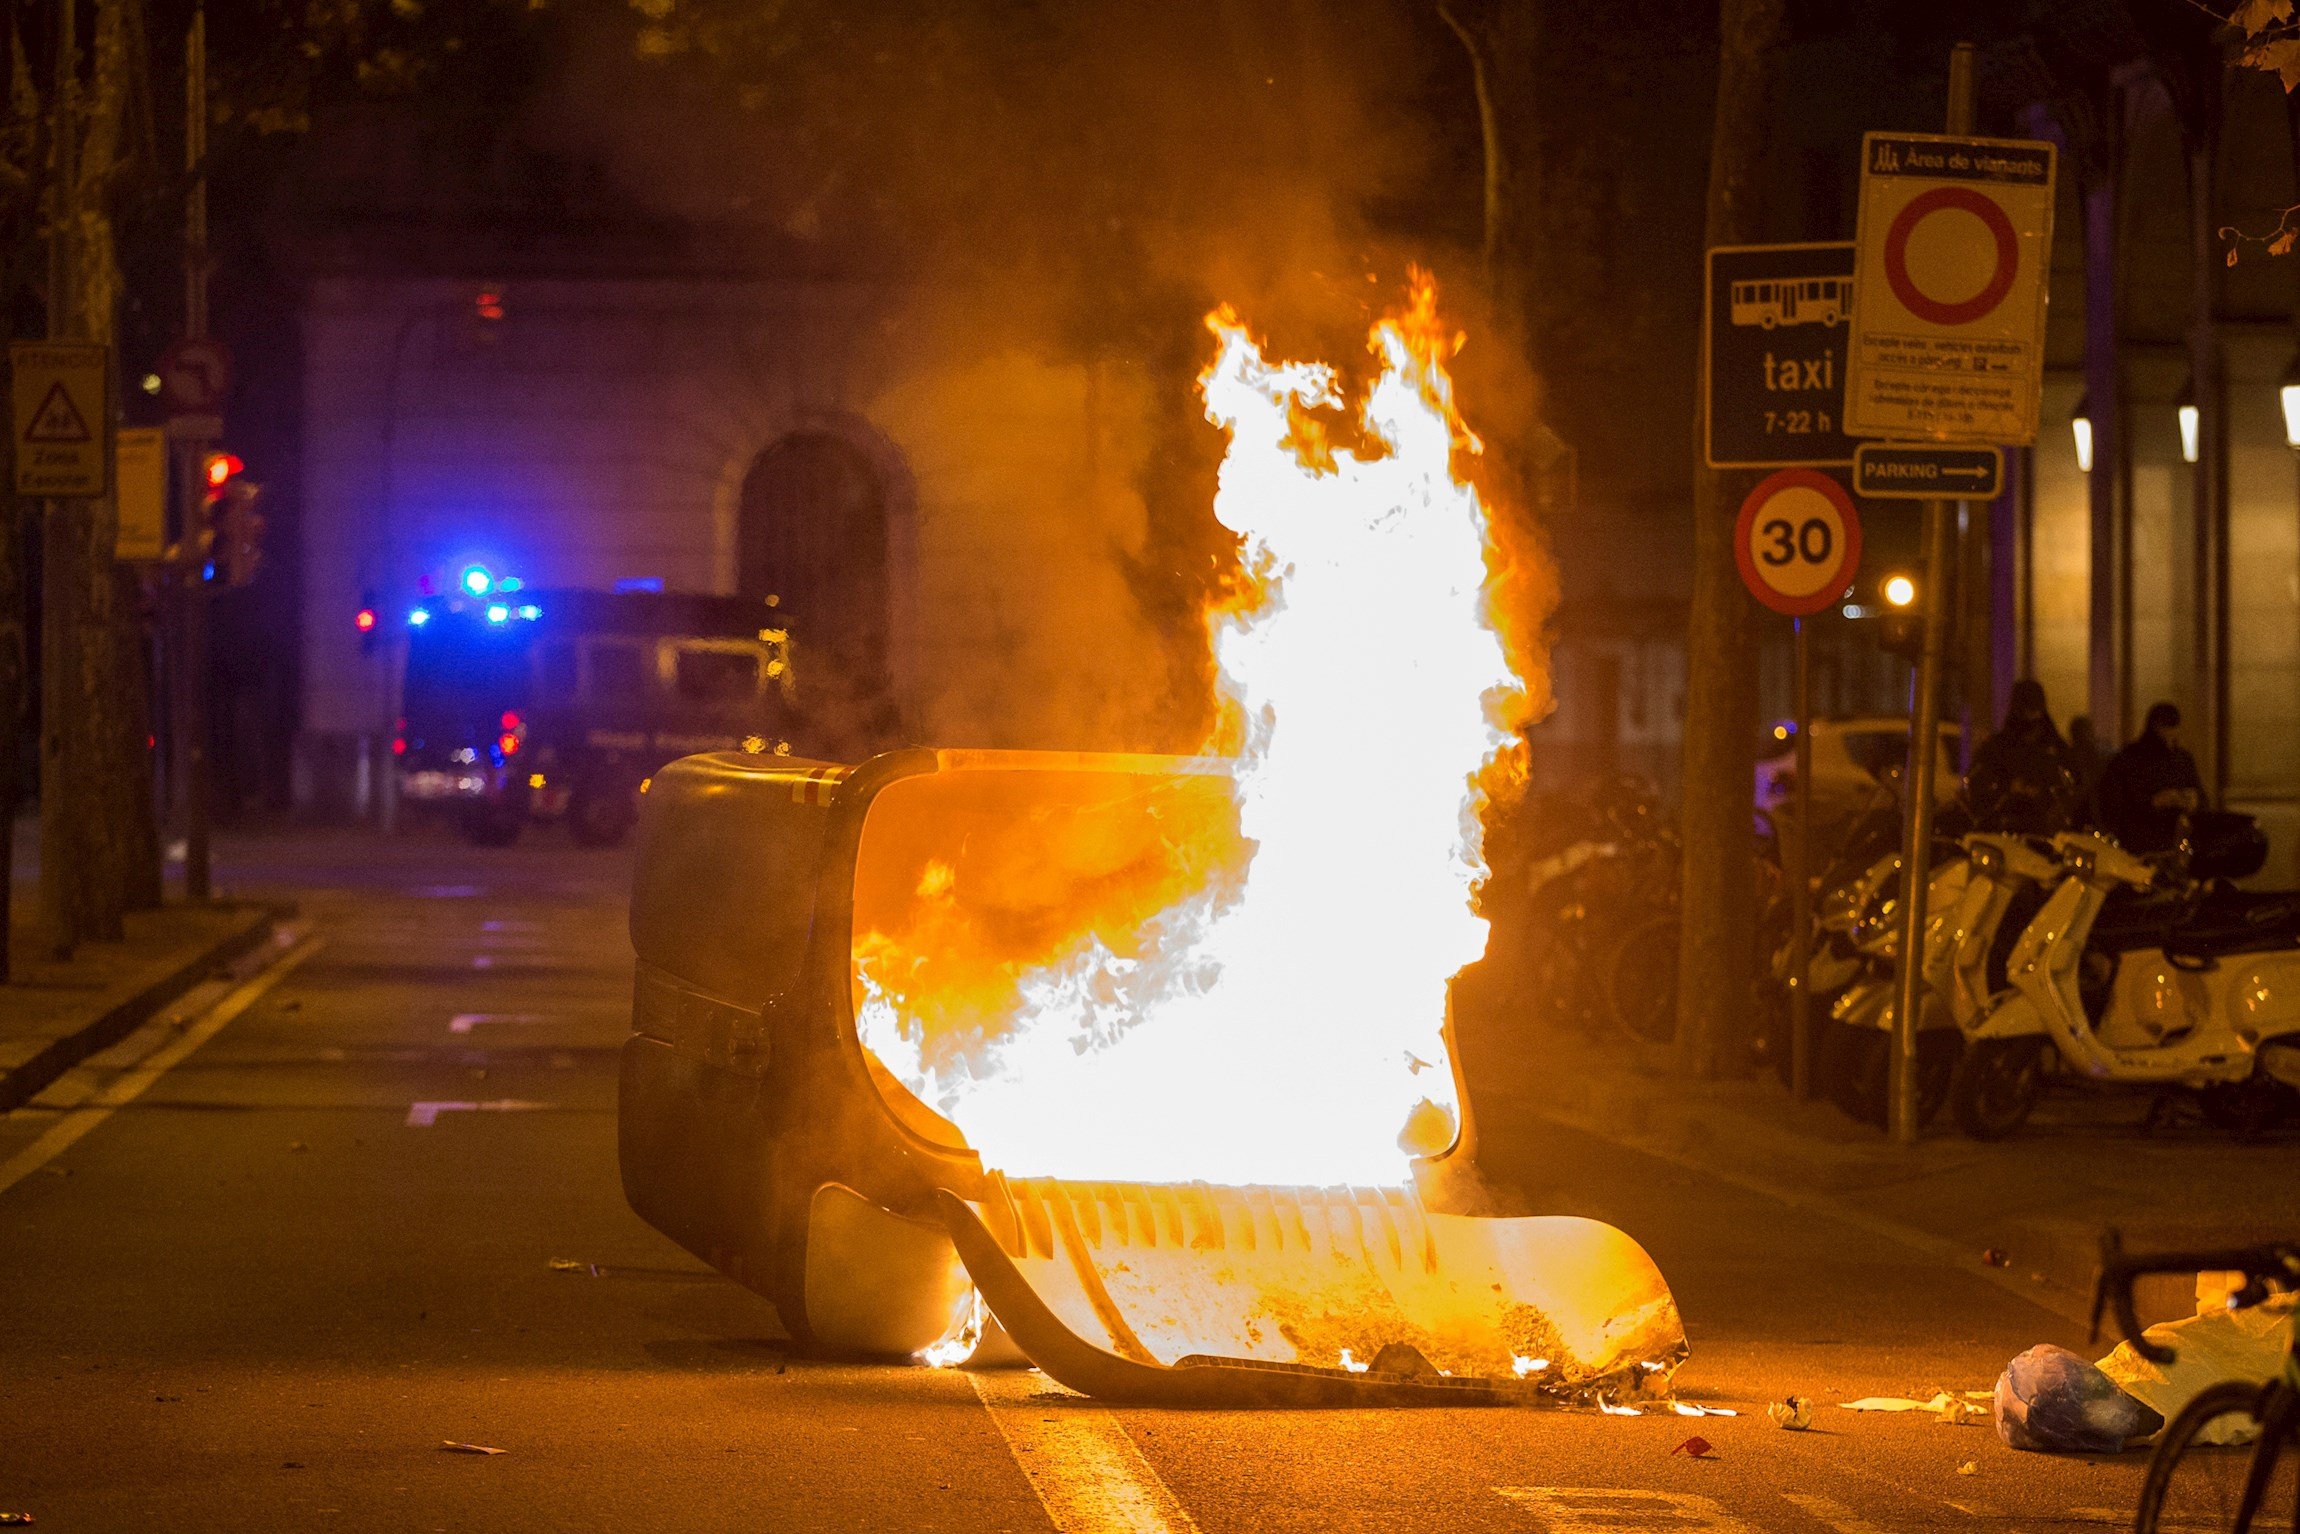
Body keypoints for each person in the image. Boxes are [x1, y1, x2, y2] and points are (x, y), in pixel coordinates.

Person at [1964, 679, 2082, 833]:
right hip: (2005, 826)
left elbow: (2073, 783)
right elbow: (1979, 785)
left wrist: (2046, 792)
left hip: (2046, 829)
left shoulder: (2055, 747)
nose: (2031, 718)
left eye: (2035, 711)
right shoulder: (1998, 747)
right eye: (2027, 710)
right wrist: (2009, 788)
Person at [2096, 702, 2206, 854]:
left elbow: (2199, 795)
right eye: (2165, 727)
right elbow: (2115, 802)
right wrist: (2154, 802)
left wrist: (2193, 800)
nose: (2169, 733)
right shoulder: (2131, 758)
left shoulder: (2182, 759)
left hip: (2177, 840)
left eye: (2172, 727)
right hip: (2141, 841)